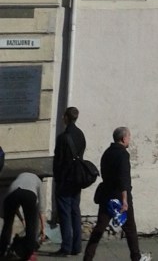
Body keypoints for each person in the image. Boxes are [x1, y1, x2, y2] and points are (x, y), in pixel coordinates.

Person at [83, 128, 149, 261]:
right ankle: (136, 257)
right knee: (130, 228)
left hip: (107, 196)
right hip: (120, 196)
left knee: (99, 228)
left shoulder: (107, 153)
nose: (129, 139)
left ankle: (88, 257)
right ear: (124, 139)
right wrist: (125, 200)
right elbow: (124, 178)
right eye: (129, 137)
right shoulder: (123, 154)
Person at [52, 106, 86, 256]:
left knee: (65, 214)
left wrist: (57, 178)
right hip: (77, 178)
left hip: (65, 179)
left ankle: (66, 246)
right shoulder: (80, 135)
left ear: (66, 117)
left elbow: (58, 162)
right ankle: (77, 246)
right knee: (75, 211)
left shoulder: (62, 138)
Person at [0, 171, 46, 261]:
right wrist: (43, 229)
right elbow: (42, 208)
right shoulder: (37, 180)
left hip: (11, 195)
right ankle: (29, 254)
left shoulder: (19, 178)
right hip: (29, 195)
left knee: (7, 225)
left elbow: (15, 207)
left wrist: (22, 219)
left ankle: (2, 251)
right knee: (31, 226)